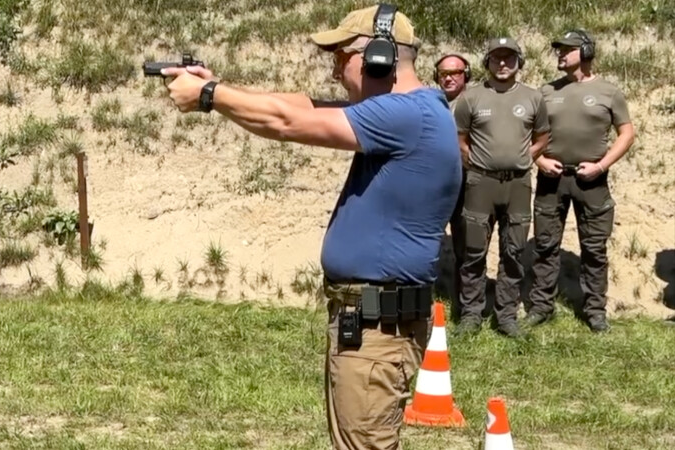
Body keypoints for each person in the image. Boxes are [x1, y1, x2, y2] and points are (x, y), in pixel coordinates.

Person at [161, 4, 462, 448]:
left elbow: (287, 123)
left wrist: (209, 97)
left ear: (376, 55)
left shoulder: (407, 116)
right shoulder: (412, 112)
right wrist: (216, 85)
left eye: (340, 59)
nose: (336, 73)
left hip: (378, 329)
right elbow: (298, 105)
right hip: (370, 323)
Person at [527, 29, 635, 332]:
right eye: (558, 49)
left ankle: (595, 311)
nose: (560, 54)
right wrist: (539, 160)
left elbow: (626, 133)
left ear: (585, 52)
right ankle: (541, 307)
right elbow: (528, 135)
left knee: (594, 248)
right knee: (546, 246)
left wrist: (601, 166)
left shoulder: (608, 92)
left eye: (568, 49)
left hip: (592, 182)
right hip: (552, 179)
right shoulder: (546, 91)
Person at [452, 37, 550, 337]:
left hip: (518, 183)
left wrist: (525, 158)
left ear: (519, 62)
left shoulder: (534, 98)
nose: (503, 64)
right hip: (480, 183)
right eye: (497, 58)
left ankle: (506, 315)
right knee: (473, 251)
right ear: (487, 63)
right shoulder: (471, 98)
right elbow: (460, 139)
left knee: (514, 250)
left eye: (509, 58)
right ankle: (471, 314)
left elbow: (543, 136)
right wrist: (477, 165)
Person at [434, 53, 472, 314]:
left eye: (455, 73)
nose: (448, 78)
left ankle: (464, 306)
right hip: (434, 186)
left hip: (467, 184)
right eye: (443, 74)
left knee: (466, 247)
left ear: (466, 75)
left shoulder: (475, 102)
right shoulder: (430, 103)